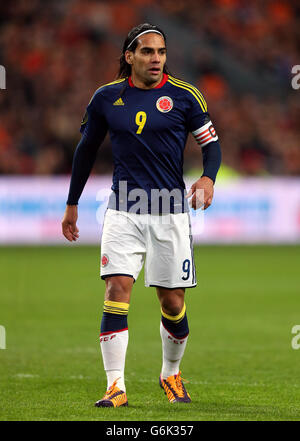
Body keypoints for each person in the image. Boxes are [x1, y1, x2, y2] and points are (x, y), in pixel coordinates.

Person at [62, 23, 221, 408]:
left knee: (172, 303)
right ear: (129, 56)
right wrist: (72, 203)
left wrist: (207, 177)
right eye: (148, 52)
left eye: (161, 52)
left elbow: (211, 145)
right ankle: (115, 386)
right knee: (117, 289)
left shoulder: (185, 96)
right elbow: (85, 151)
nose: (156, 59)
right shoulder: (106, 98)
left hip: (170, 214)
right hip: (123, 210)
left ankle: (171, 374)